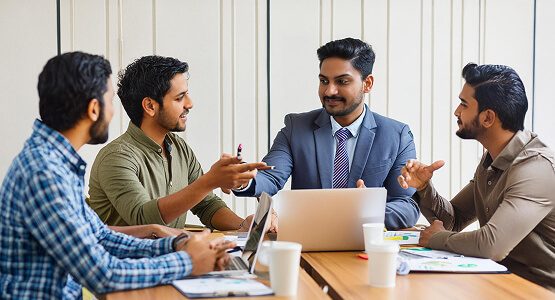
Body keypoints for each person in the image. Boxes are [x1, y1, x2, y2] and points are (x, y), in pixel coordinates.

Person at [0, 52, 234, 299]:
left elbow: (99, 236)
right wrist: (187, 262)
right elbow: (104, 274)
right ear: (93, 109)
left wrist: (175, 245)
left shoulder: (54, 162)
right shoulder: (44, 173)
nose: (113, 111)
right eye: (110, 100)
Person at [398, 63, 555, 290]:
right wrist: (424, 188)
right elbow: (454, 219)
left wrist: (436, 238)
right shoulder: (492, 159)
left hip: (538, 291)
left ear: (488, 118)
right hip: (500, 283)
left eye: (463, 104)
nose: (456, 112)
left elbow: (491, 245)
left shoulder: (536, 168)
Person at [234, 37, 419, 229]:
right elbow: (271, 177)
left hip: (365, 247)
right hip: (309, 244)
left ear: (368, 83)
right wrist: (242, 180)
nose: (329, 91)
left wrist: (366, 213)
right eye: (324, 81)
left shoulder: (397, 135)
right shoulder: (296, 127)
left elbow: (407, 205)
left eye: (342, 81)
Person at [87, 55, 272, 232]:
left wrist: (243, 226)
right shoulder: (116, 158)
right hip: (129, 262)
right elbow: (143, 219)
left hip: (170, 256)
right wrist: (209, 181)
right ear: (150, 106)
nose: (190, 104)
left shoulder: (179, 148)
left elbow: (206, 205)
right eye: (179, 97)